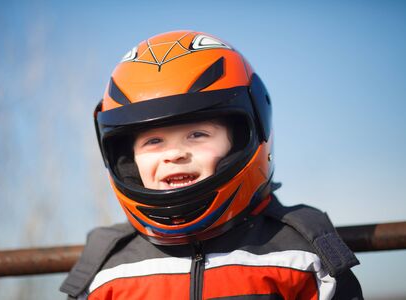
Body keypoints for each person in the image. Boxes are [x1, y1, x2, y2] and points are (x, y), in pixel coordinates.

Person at [60, 30, 363, 299]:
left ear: (245, 136)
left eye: (197, 135)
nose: (175, 154)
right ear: (125, 159)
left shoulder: (301, 253)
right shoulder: (107, 268)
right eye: (154, 142)